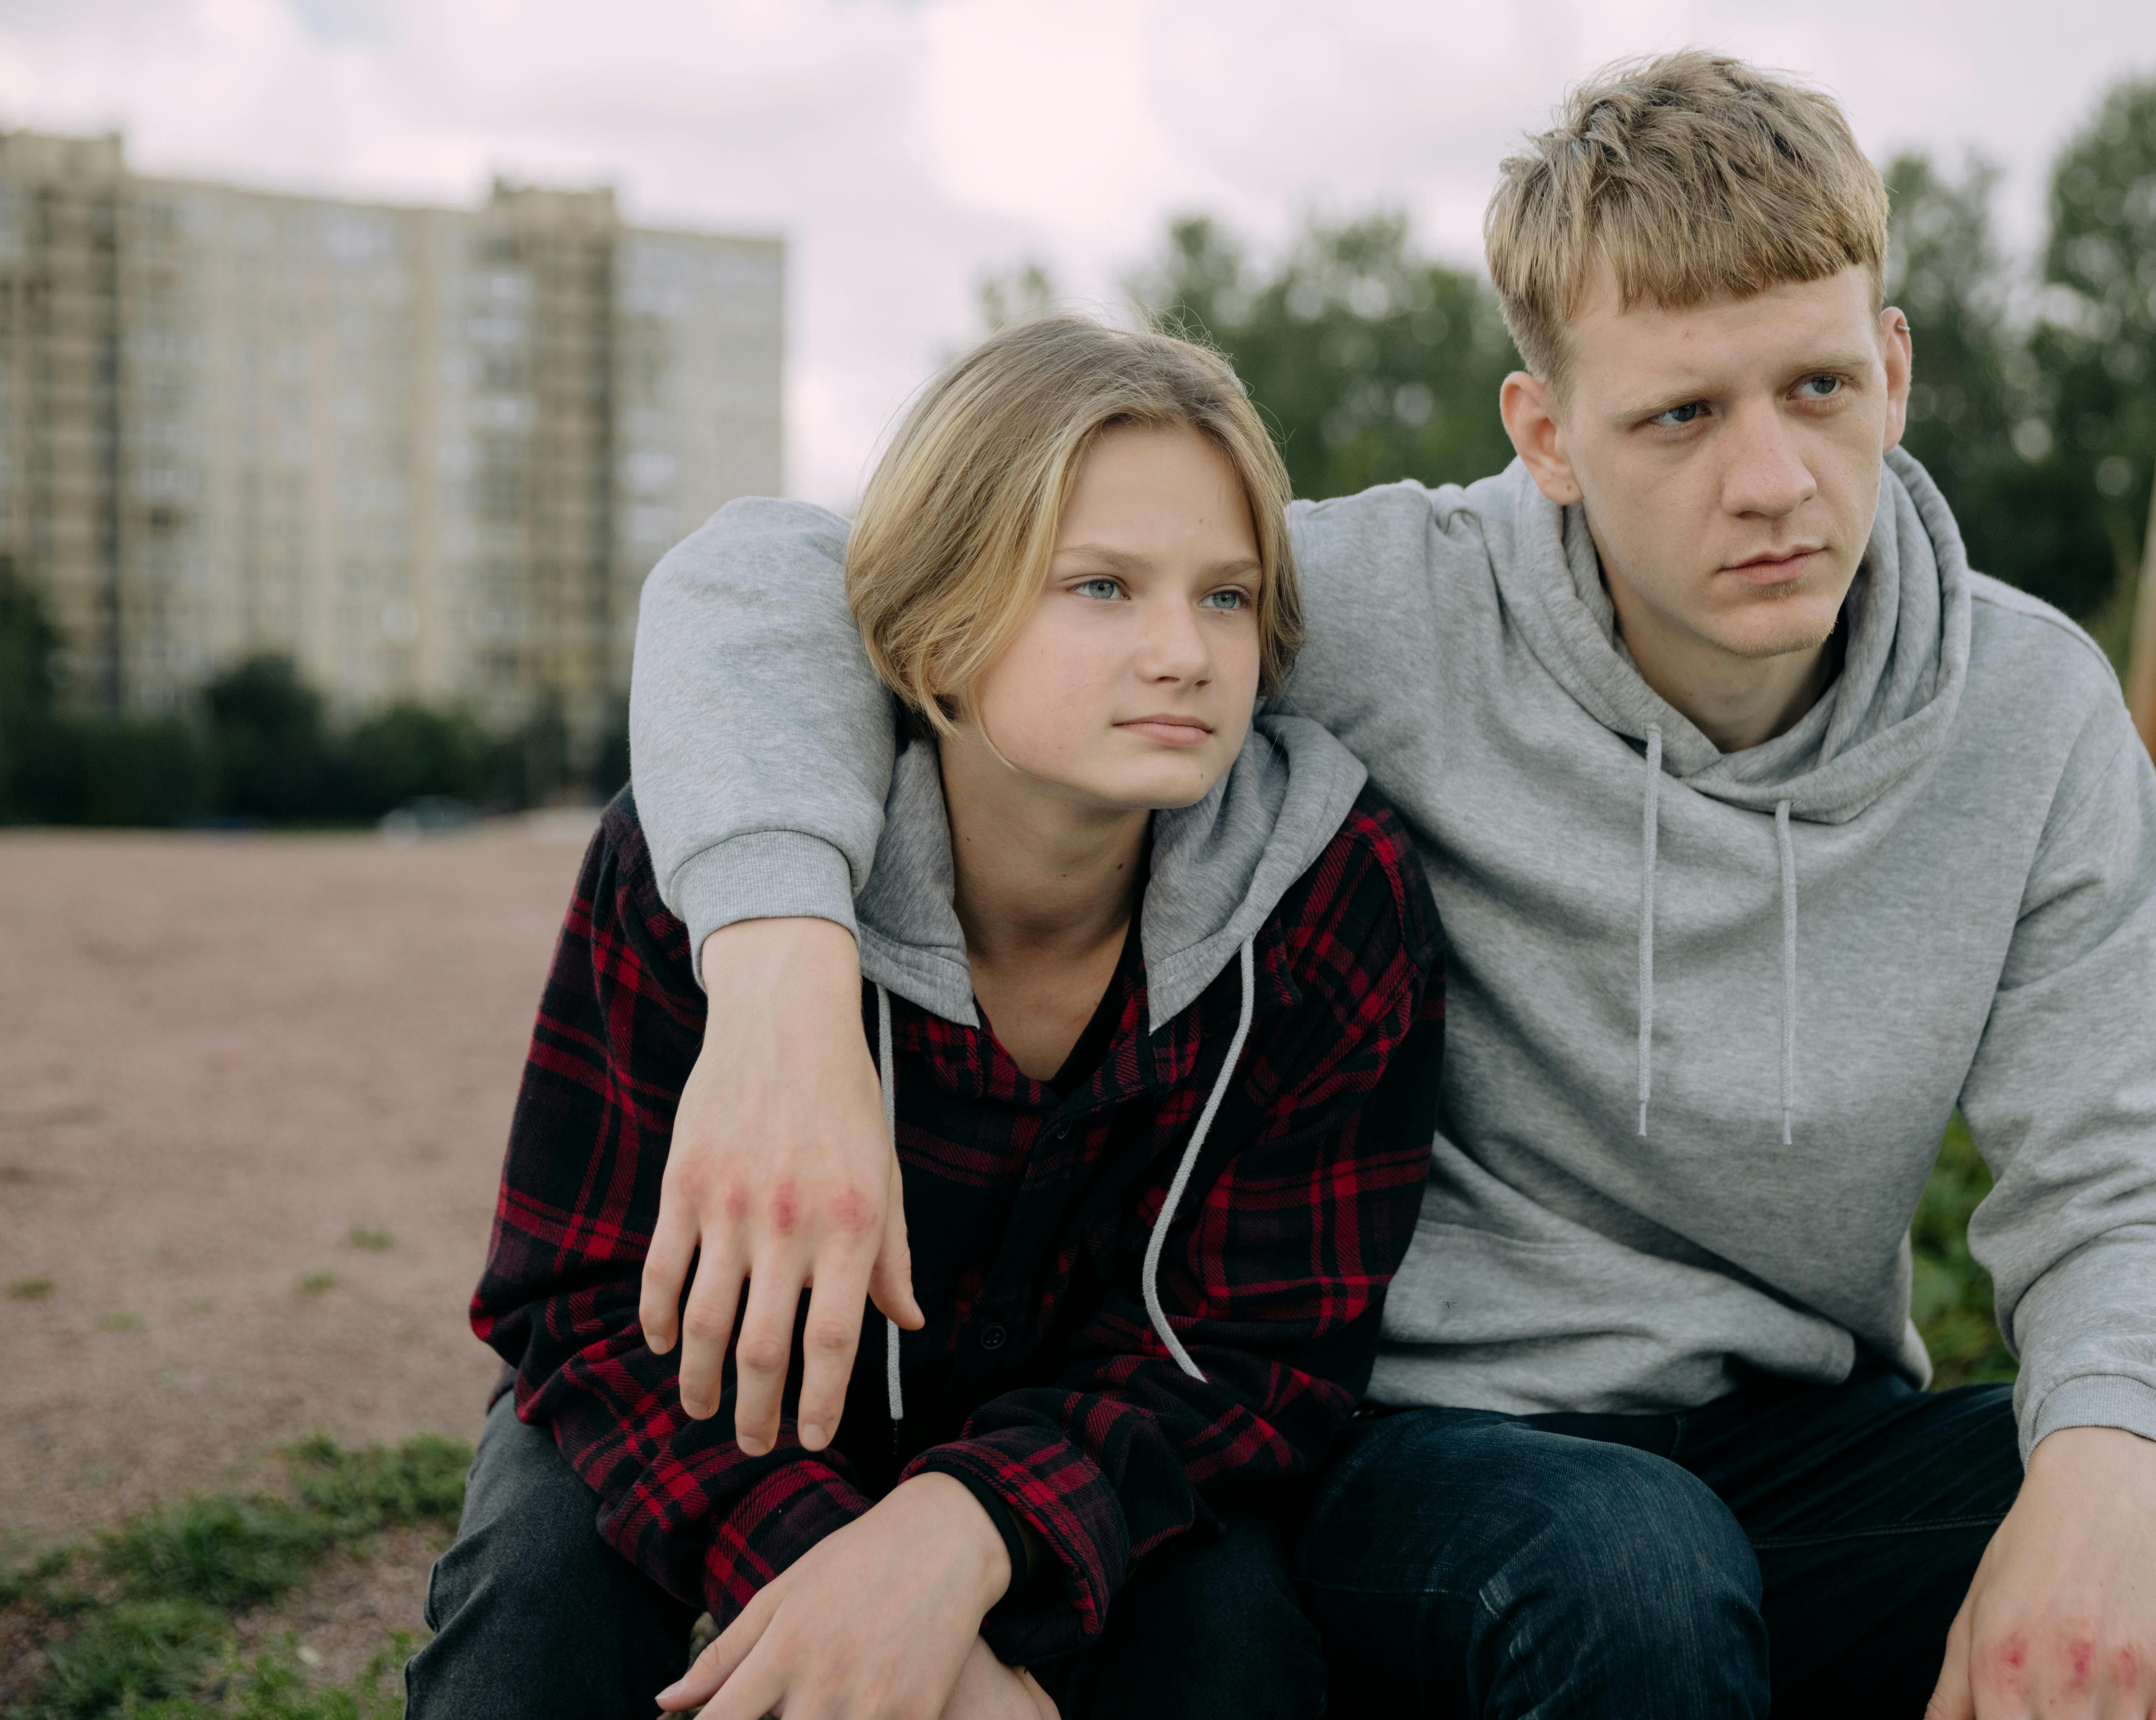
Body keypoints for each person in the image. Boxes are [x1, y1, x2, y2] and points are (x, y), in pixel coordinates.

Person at [618, 53, 2156, 1719]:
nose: (1776, 479)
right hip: (1420, 1455)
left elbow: (2123, 1183)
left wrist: (2094, 1489)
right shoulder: (1381, 610)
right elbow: (778, 574)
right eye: (1680, 416)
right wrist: (782, 989)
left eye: (1822, 385)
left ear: (1897, 368)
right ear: (1545, 437)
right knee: (1627, 1562)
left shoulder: (2031, 712)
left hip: (1796, 1432)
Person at [406, 316, 1445, 1720]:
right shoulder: (703, 868)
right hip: (724, 1423)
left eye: (1226, 597)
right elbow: (576, 1301)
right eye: (1100, 588)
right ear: (937, 630)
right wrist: (849, 1594)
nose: (1184, 652)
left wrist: (969, 1541)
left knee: (1233, 1654)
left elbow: (1267, 1352)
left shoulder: (1329, 893)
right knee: (533, 1601)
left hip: (1101, 1461)